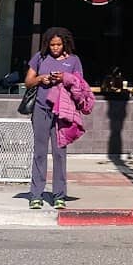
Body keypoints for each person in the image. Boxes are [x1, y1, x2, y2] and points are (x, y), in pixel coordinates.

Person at [25, 27, 84, 210]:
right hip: (41, 109)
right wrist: (42, 78)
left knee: (59, 154)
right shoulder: (40, 58)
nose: (55, 48)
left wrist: (64, 78)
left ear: (65, 43)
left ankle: (59, 195)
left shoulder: (74, 61)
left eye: (58, 44)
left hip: (63, 112)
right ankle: (36, 195)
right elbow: (28, 82)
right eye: (52, 45)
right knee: (40, 152)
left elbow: (79, 84)